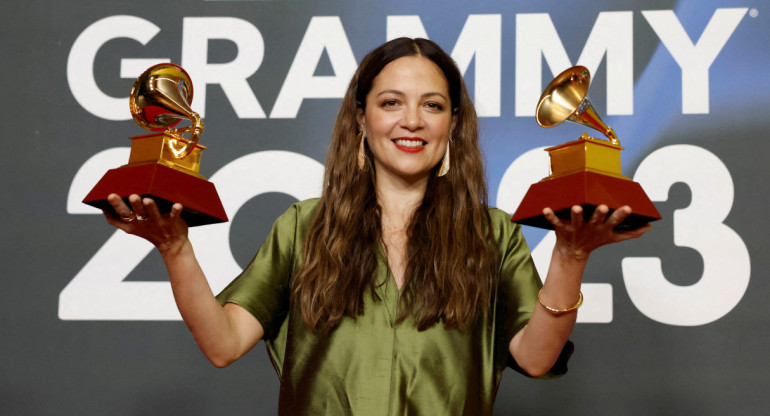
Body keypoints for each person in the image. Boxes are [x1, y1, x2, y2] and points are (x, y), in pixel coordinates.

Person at [103, 38, 650, 415]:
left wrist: (572, 256)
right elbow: (223, 343)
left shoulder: (493, 233)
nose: (412, 120)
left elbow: (535, 357)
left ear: (452, 126)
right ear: (361, 119)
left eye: (432, 105)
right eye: (391, 103)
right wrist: (175, 248)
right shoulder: (304, 226)